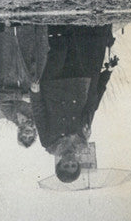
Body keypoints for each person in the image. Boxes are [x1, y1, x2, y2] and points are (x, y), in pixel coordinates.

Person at [30, 24, 114, 183]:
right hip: (78, 83)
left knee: (58, 46)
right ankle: (70, 18)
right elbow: (91, 106)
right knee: (75, 45)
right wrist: (106, 75)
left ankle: (56, 18)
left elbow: (39, 114)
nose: (69, 163)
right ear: (77, 163)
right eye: (73, 166)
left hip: (52, 86)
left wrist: (35, 93)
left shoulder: (48, 142)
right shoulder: (83, 139)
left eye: (65, 166)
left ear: (59, 164)